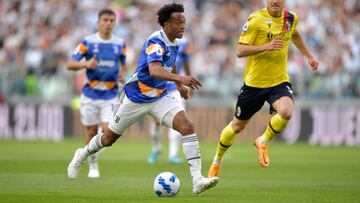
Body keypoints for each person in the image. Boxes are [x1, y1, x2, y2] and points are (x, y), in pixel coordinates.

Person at [67, 3, 218, 195]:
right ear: (165, 23)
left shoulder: (176, 42)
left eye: (184, 22)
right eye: (178, 22)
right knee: (108, 138)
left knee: (187, 126)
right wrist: (181, 79)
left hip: (159, 97)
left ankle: (197, 180)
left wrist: (179, 85)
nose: (182, 26)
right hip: (135, 98)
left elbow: (170, 64)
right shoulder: (156, 41)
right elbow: (155, 69)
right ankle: (82, 154)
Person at [208, 0, 319, 178]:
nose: (275, 1)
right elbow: (239, 50)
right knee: (237, 127)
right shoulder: (256, 20)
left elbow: (294, 34)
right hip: (254, 85)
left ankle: (262, 140)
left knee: (286, 111)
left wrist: (309, 56)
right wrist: (266, 47)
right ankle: (217, 161)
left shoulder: (290, 18)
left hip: (278, 82)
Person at [67, 9, 128, 178]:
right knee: (91, 132)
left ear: (115, 22)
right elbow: (70, 64)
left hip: (110, 94)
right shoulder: (87, 42)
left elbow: (124, 64)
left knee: (108, 131)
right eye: (105, 20)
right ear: (98, 22)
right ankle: (93, 164)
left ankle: (87, 156)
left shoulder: (120, 44)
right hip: (90, 94)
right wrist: (86, 65)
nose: (108, 23)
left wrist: (123, 74)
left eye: (111, 20)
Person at [148, 37, 192, 164]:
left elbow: (185, 62)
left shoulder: (183, 43)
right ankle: (156, 148)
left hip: (174, 88)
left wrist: (187, 81)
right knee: (155, 122)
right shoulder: (156, 41)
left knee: (178, 119)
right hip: (157, 87)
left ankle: (173, 154)